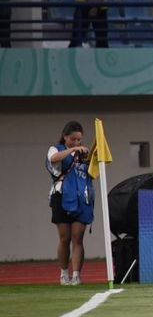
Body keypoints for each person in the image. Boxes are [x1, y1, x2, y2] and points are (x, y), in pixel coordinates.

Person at [45, 121, 95, 286]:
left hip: (81, 197)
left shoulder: (83, 154)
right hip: (61, 196)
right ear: (65, 136)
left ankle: (76, 275)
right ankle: (63, 273)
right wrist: (73, 150)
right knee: (64, 238)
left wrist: (90, 157)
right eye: (73, 139)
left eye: (79, 140)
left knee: (78, 237)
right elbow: (53, 159)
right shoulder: (56, 149)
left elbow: (93, 173)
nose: (77, 143)